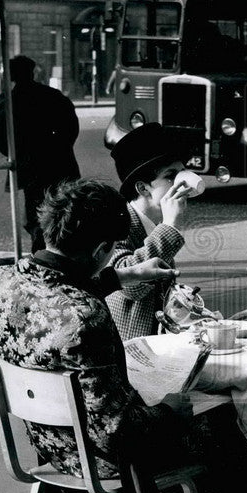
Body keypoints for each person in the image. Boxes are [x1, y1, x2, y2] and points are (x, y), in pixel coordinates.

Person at [0, 178, 247, 493]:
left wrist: (121, 277)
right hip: (103, 459)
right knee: (231, 425)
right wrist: (171, 409)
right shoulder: (86, 317)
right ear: (100, 250)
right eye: (110, 253)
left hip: (49, 445)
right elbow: (121, 431)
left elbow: (57, 291)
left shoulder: (4, 281)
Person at [107, 123, 204, 341]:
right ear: (143, 188)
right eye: (171, 176)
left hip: (159, 341)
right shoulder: (117, 222)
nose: (182, 183)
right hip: (129, 349)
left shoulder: (154, 224)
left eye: (183, 173)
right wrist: (169, 226)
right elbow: (130, 286)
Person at [0, 55, 80, 252]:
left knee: (36, 217)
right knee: (64, 211)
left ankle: (42, 255)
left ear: (11, 75)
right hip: (60, 163)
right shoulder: (54, 95)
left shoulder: (9, 101)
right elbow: (71, 128)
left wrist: (18, 154)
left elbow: (3, 141)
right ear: (32, 72)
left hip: (30, 168)